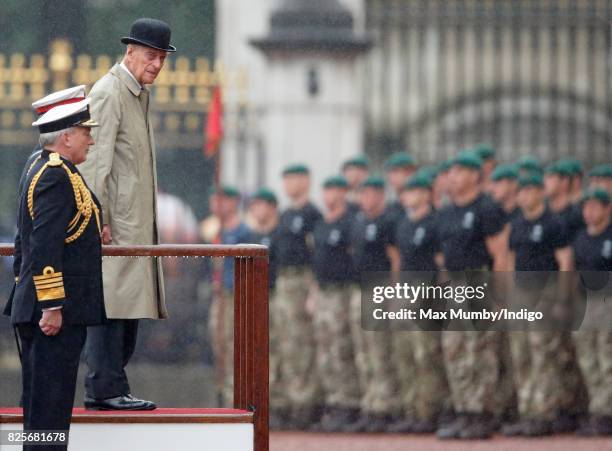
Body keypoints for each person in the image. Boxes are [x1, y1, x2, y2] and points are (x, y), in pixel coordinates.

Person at [78, 17, 176, 411]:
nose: (156, 64)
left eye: (162, 58)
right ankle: (104, 388)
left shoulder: (135, 93)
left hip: (130, 225)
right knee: (110, 307)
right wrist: (96, 220)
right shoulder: (110, 92)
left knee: (127, 309)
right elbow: (93, 165)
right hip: (113, 227)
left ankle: (114, 385)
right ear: (130, 51)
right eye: (150, 55)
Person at [3, 98, 105, 450]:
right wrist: (51, 305)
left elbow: (30, 237)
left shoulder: (44, 165)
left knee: (45, 411)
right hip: (52, 314)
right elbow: (44, 244)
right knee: (48, 413)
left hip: (41, 306)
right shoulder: (55, 176)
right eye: (85, 132)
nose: (90, 140)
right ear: (66, 138)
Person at [435, 152, 509, 440]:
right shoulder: (447, 211)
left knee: (480, 350)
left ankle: (482, 414)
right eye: (450, 171)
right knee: (454, 349)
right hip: (454, 284)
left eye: (459, 171)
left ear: (475, 176)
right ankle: (464, 409)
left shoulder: (487, 208)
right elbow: (444, 255)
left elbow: (500, 254)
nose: (452, 176)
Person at [502, 173, 574, 437]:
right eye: (521, 191)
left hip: (545, 291)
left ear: (540, 193)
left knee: (543, 353)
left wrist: (563, 299)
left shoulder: (553, 223)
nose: (524, 195)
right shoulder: (517, 224)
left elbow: (565, 261)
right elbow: (510, 260)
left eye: (530, 190)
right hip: (521, 293)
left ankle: (545, 413)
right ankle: (528, 410)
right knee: (521, 354)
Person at [390, 172, 451, 434]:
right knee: (405, 355)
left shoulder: (435, 222)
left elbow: (442, 262)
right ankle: (412, 409)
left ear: (426, 194)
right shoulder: (403, 224)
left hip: (427, 290)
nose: (408, 197)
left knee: (426, 354)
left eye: (414, 191)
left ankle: (430, 411)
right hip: (406, 290)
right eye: (406, 192)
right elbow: (399, 261)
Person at [345, 175, 401, 433]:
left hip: (380, 288)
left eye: (371, 193)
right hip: (360, 289)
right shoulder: (357, 221)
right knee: (362, 350)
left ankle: (385, 405)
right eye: (362, 193)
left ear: (380, 195)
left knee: (380, 350)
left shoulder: (389, 221)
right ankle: (369, 403)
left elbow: (395, 258)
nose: (366, 198)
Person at [311, 176, 361, 432]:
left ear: (344, 193)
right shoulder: (320, 224)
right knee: (326, 350)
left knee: (343, 348)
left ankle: (349, 403)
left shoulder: (351, 223)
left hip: (343, 291)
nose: (330, 196)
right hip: (324, 292)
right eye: (326, 190)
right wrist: (313, 293)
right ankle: (333, 401)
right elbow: (315, 262)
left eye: (335, 190)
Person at [275, 164, 323, 429]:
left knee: (303, 343)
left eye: (293, 178)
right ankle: (290, 401)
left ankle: (306, 405)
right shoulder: (284, 214)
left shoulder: (312, 214)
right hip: (285, 281)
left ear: (305, 181)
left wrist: (313, 290)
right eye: (286, 179)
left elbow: (317, 254)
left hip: (303, 280)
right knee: (287, 343)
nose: (289, 184)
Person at [572, 188, 612, 436]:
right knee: (588, 361)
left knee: (608, 360)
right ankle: (598, 410)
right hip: (587, 304)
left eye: (596, 206)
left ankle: (608, 412)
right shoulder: (581, 239)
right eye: (586, 207)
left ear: (607, 208)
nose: (590, 212)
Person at [207, 185, 251, 406]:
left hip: (235, 293)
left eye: (222, 199)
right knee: (219, 343)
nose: (217, 204)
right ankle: (222, 394)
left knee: (234, 343)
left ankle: (235, 395)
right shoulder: (216, 231)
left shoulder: (244, 232)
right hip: (220, 294)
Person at [247, 188, 286, 427]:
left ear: (272, 207)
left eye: (263, 204)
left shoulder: (281, 234)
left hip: (277, 296)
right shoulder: (249, 234)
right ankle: (257, 401)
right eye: (255, 205)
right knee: (256, 351)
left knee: (278, 351)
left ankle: (279, 404)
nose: (259, 210)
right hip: (256, 297)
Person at [384, 152, 418, 227]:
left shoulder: (421, 206)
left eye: (395, 171)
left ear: (410, 172)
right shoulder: (391, 208)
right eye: (389, 172)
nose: (390, 177)